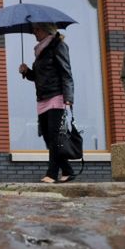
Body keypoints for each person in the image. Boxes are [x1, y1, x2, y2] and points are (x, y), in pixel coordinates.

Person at [18, 23, 75, 183]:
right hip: (42, 97)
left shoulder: (58, 46)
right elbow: (38, 76)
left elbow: (66, 71)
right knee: (48, 137)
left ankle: (52, 174)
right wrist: (27, 71)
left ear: (45, 30)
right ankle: (68, 170)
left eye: (36, 29)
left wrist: (69, 97)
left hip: (57, 95)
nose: (34, 32)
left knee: (55, 136)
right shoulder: (40, 50)